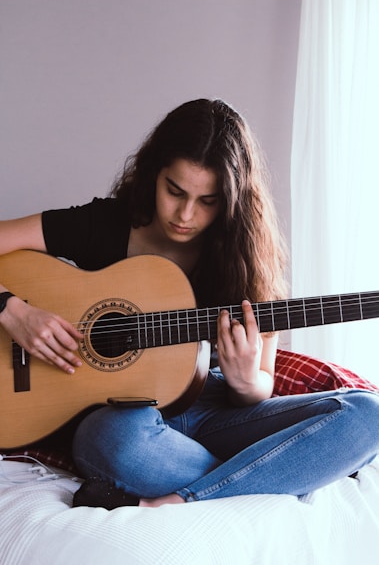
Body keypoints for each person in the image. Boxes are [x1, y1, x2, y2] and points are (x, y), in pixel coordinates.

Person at [1, 98, 379, 510]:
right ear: (153, 175)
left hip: (210, 412)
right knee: (114, 442)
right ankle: (271, 476)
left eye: (207, 201)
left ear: (232, 199)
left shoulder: (246, 256)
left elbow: (262, 385)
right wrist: (14, 309)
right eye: (174, 191)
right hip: (127, 422)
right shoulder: (105, 224)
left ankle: (174, 502)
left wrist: (245, 381)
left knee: (367, 413)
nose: (185, 214)